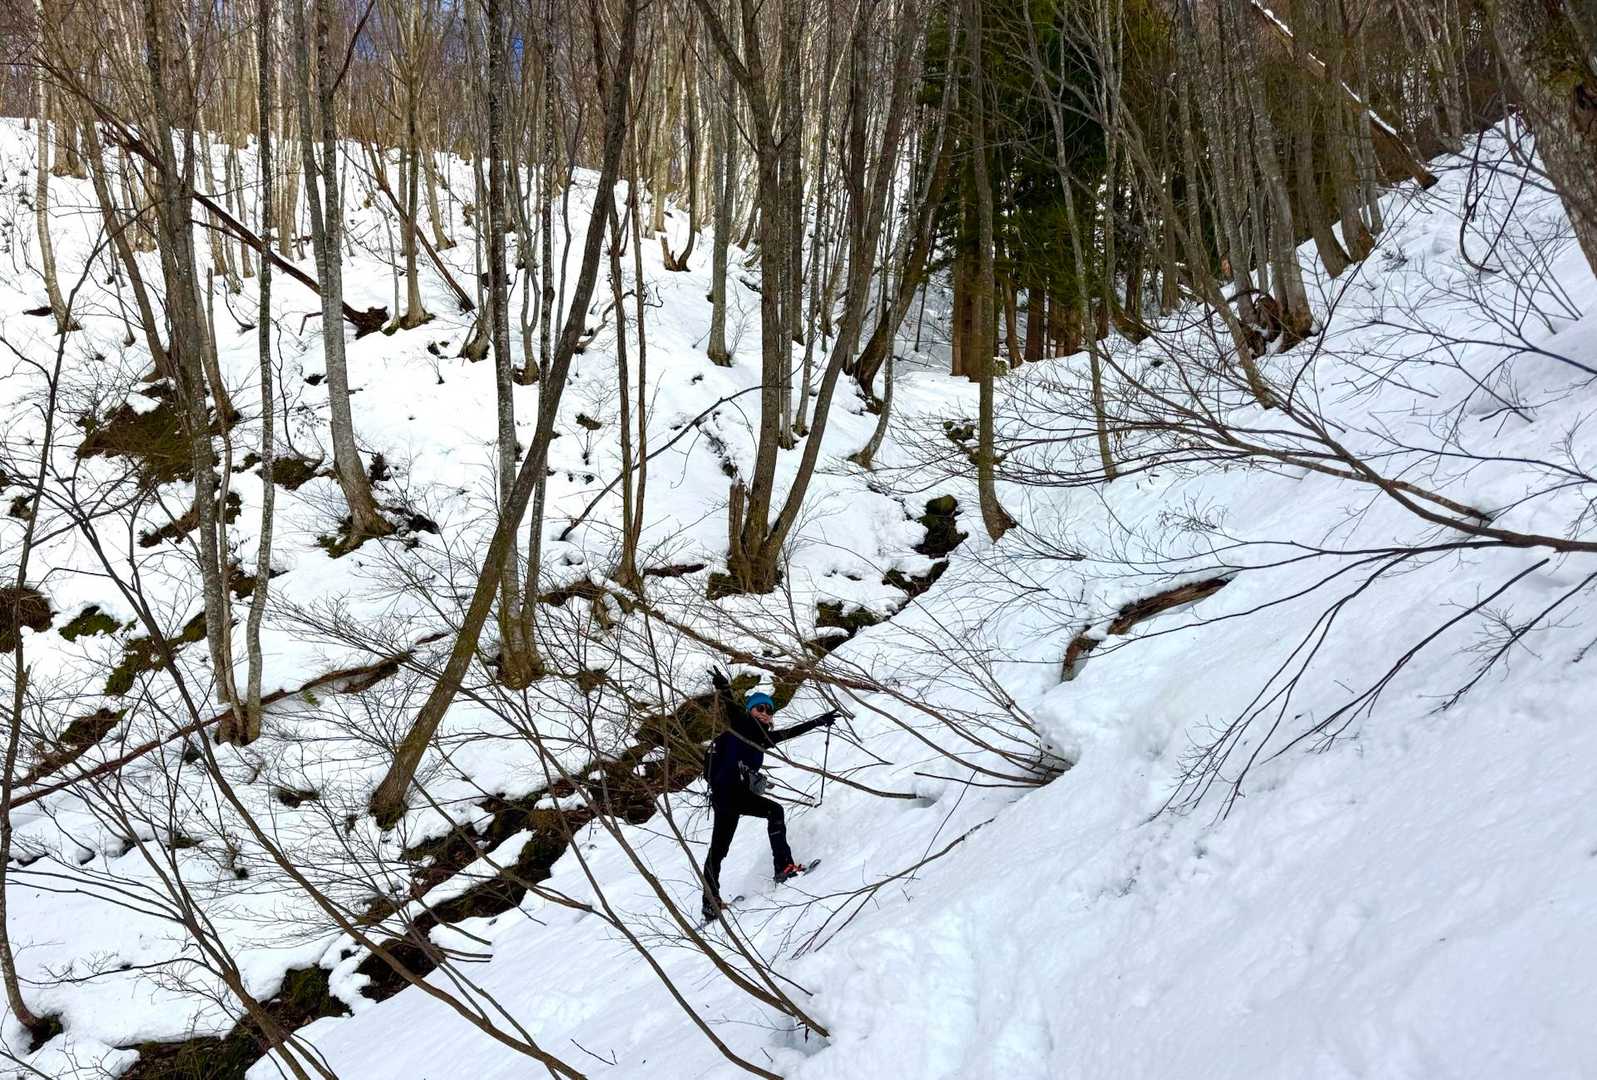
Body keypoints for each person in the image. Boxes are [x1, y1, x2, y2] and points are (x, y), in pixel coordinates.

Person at [701, 669, 838, 921]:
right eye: (760, 708)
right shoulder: (743, 725)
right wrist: (724, 688)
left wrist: (818, 722)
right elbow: (732, 708)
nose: (765, 712)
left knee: (718, 849)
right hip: (730, 792)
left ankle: (710, 903)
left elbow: (789, 733)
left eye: (769, 710)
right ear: (750, 710)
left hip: (724, 797)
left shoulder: (761, 738)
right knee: (774, 811)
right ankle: (783, 866)